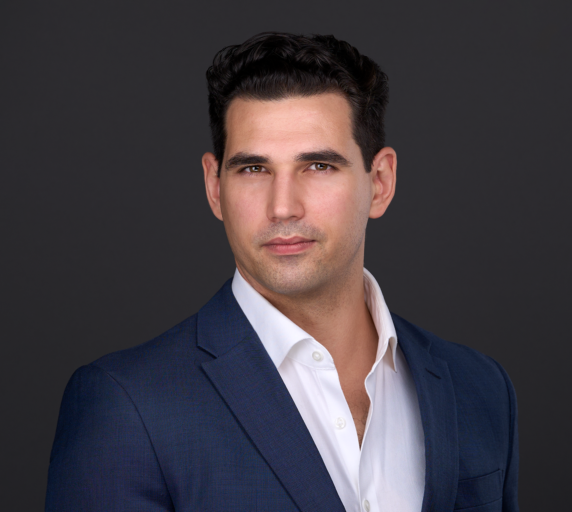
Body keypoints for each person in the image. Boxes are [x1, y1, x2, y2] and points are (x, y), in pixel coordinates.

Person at [44, 32, 519, 512]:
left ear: (380, 183)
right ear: (214, 187)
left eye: (317, 165)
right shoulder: (128, 407)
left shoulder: (479, 387)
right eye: (253, 169)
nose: (282, 206)